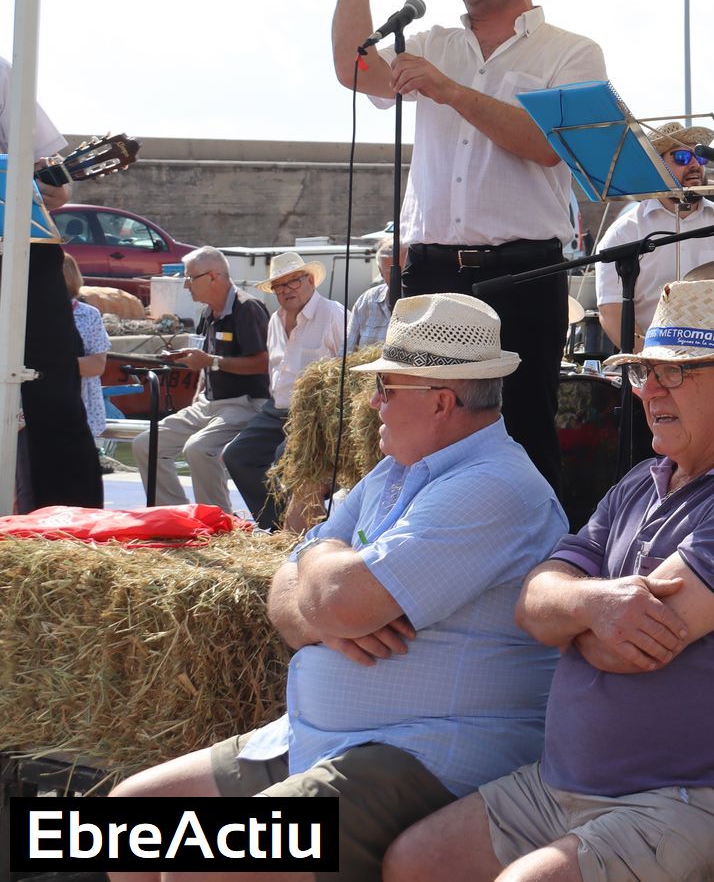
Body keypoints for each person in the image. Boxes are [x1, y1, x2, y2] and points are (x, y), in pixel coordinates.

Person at [383, 280, 714, 882]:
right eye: (646, 373)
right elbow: (532, 603)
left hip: (710, 798)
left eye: (674, 373)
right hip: (565, 785)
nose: (648, 391)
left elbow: (622, 646)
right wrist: (593, 604)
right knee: (410, 862)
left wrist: (571, 614)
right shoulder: (643, 480)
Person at [111, 293, 566, 882]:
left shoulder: (494, 485)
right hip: (324, 737)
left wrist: (322, 564)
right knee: (127, 819)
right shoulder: (395, 469)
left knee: (203, 861)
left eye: (386, 387)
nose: (373, 402)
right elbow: (288, 600)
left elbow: (330, 593)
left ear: (442, 401)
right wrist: (328, 603)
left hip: (425, 749)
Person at [329, 0, 607, 498]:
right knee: (415, 431)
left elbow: (548, 147)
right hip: (429, 271)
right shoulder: (430, 41)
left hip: (523, 274)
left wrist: (450, 91)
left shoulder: (571, 51)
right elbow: (355, 70)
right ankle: (417, 546)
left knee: (523, 429)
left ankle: (534, 553)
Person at [2, 56, 102, 511]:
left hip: (20, 251)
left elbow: (53, 176)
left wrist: (56, 185)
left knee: (52, 387)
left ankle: (66, 522)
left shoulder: (1, 73)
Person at [592, 124, 714, 350]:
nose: (694, 165)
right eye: (682, 157)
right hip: (651, 356)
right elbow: (611, 310)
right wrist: (650, 359)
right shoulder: (625, 232)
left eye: (700, 157)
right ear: (657, 166)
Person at [132, 246, 270, 509]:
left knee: (199, 449)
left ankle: (218, 521)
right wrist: (199, 389)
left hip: (246, 403)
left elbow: (263, 363)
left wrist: (210, 362)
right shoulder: (208, 313)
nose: (186, 285)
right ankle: (175, 515)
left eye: (190, 278)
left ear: (213, 277)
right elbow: (207, 362)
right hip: (209, 404)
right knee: (145, 444)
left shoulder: (247, 308)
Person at [223, 250, 350, 530]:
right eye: (279, 286)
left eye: (293, 281)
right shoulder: (274, 320)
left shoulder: (333, 314)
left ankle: (301, 528)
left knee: (286, 458)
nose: (285, 290)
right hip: (277, 408)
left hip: (315, 411)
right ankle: (280, 525)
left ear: (310, 281)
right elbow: (277, 373)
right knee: (237, 456)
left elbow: (350, 367)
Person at [62, 253, 112, 453]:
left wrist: (52, 364)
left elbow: (97, 365)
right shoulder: (23, 313)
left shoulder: (88, 315)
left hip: (81, 409)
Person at [348, 237, 397, 352]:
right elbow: (346, 351)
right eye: (392, 272)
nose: (399, 277)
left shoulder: (425, 303)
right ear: (381, 271)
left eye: (405, 270)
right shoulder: (366, 301)